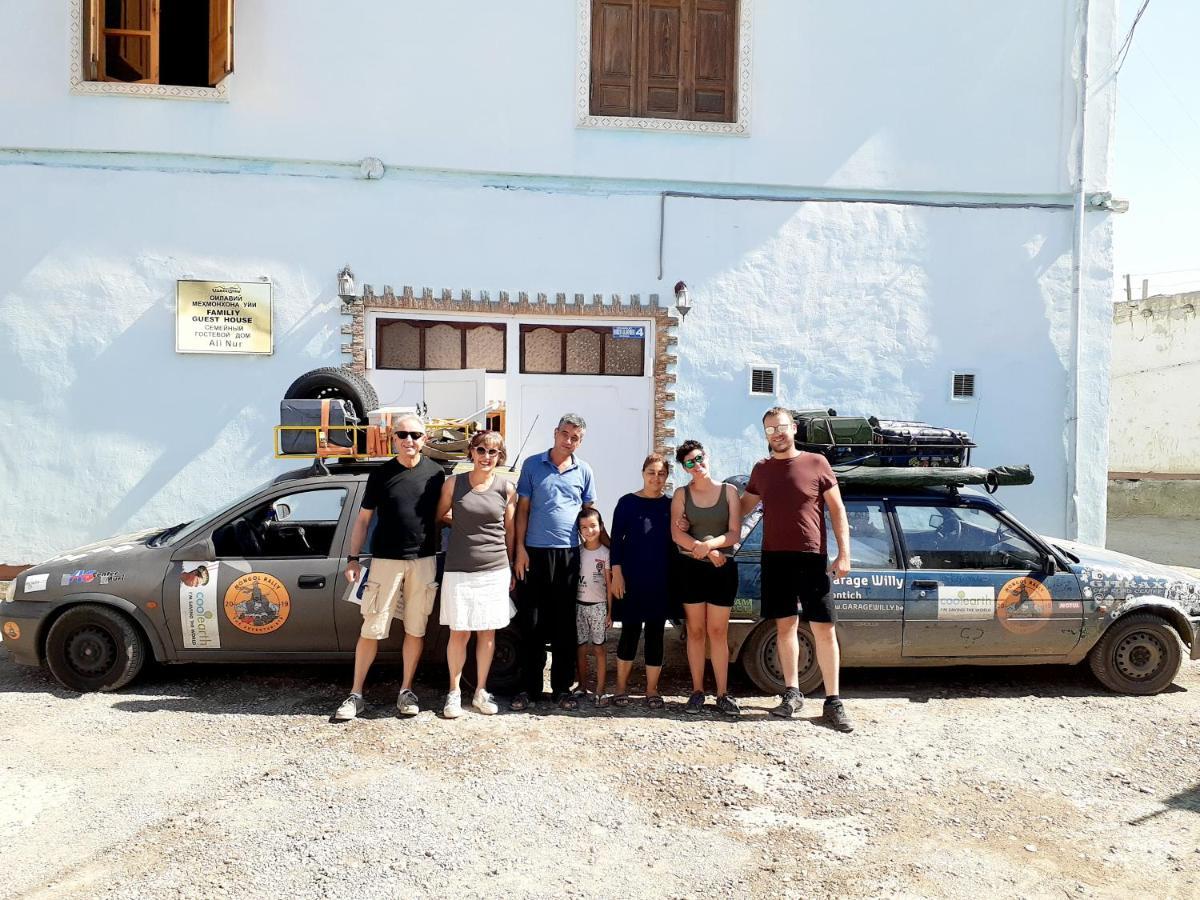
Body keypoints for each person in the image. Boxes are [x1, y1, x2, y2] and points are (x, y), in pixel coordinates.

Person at [741, 407, 854, 732]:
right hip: (775, 559)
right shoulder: (761, 470)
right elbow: (741, 507)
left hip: (812, 558)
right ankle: (792, 693)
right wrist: (696, 516)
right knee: (785, 627)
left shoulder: (816, 463)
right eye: (769, 429)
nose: (776, 433)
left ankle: (833, 701)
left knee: (823, 628)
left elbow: (837, 510)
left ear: (793, 428)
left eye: (781, 427)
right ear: (765, 435)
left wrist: (843, 554)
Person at [333, 415, 445, 721]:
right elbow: (363, 520)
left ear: (425, 439)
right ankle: (356, 694)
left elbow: (447, 514)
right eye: (403, 434)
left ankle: (406, 691)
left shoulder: (437, 474)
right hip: (384, 562)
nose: (409, 440)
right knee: (371, 628)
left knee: (415, 629)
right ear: (393, 438)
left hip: (424, 561)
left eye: (416, 435)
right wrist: (353, 559)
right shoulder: (381, 474)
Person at [512, 413, 596, 711]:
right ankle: (527, 689)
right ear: (555, 432)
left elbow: (589, 517)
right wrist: (519, 549)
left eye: (575, 437)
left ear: (580, 441)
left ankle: (561, 688)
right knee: (530, 622)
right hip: (533, 553)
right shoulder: (532, 465)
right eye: (565, 434)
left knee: (563, 625)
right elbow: (522, 510)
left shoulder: (583, 470)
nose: (568, 440)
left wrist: (605, 549)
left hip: (569, 555)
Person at [435, 430, 517, 718]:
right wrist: (460, 524)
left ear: (499, 456)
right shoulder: (453, 484)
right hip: (459, 569)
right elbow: (439, 515)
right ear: (472, 452)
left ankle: (481, 691)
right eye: (481, 450)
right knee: (459, 633)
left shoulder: (506, 489)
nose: (486, 457)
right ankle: (454, 693)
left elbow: (509, 531)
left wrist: (512, 566)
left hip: (494, 570)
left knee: (488, 633)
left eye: (493, 452)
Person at [671, 440, 742, 717]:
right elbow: (677, 534)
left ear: (706, 457)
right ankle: (697, 691)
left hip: (723, 569)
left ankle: (723, 693)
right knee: (696, 631)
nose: (696, 465)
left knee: (718, 632)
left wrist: (710, 548)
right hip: (691, 570)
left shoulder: (729, 492)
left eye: (699, 458)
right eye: (689, 462)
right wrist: (704, 550)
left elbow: (734, 533)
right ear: (684, 468)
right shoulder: (681, 494)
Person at [609, 453, 673, 709]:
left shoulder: (671, 505)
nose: (655, 477)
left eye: (661, 473)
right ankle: (621, 687)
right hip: (631, 579)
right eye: (651, 472)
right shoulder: (627, 503)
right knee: (630, 633)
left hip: (661, 580)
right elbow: (616, 541)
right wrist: (616, 573)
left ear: (666, 477)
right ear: (643, 473)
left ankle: (651, 689)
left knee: (656, 635)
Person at [574, 507, 611, 706]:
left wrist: (610, 613)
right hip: (579, 607)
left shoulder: (605, 554)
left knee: (599, 649)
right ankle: (582, 685)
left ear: (601, 527)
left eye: (593, 526)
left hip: (599, 607)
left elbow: (609, 584)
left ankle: (601, 690)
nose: (589, 531)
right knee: (580, 648)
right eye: (584, 527)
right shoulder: (577, 553)